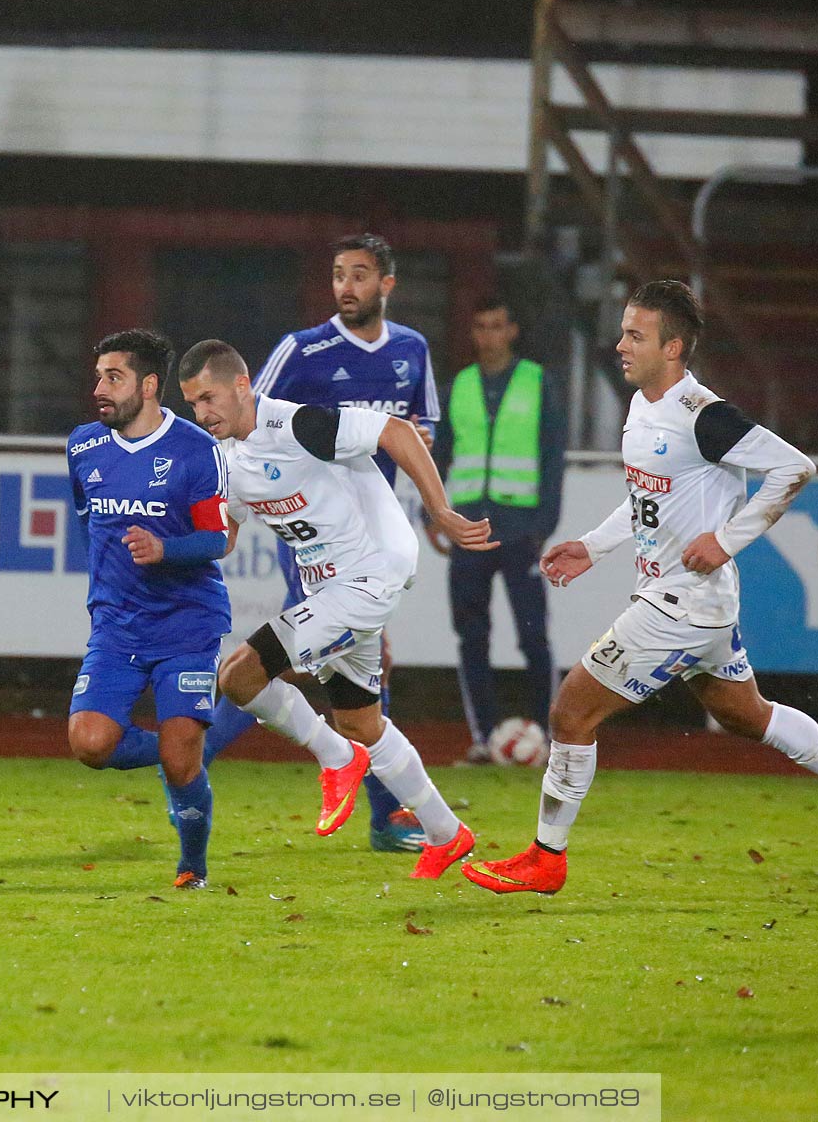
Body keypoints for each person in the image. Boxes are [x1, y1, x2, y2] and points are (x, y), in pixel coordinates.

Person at [463, 281, 818, 896]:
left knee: (571, 712)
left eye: (635, 335)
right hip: (696, 603)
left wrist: (728, 539)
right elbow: (648, 498)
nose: (621, 344)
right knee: (746, 715)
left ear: (673, 347)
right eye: (623, 331)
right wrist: (593, 546)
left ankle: (547, 857)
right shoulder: (644, 408)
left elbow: (795, 467)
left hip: (682, 603)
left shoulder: (702, 414)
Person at [177, 338, 496, 880]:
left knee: (239, 676)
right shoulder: (227, 460)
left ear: (241, 384)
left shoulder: (298, 425)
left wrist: (440, 510)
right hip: (330, 590)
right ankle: (446, 833)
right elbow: (224, 536)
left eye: (208, 398)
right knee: (361, 719)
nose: (202, 413)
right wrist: (171, 546)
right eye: (191, 405)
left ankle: (336, 758)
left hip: (373, 573)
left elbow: (395, 432)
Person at [64, 329, 364, 890]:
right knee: (90, 743)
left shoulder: (196, 451)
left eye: (114, 377)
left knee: (180, 766)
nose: (99, 388)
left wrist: (162, 550)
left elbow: (216, 540)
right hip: (115, 627)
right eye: (99, 376)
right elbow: (89, 522)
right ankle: (185, 749)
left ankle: (192, 866)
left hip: (187, 623)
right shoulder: (83, 446)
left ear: (148, 386)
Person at [201, 232, 441, 852]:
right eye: (338, 274)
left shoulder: (412, 349)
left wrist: (431, 504)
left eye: (360, 275)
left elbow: (420, 429)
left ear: (386, 283)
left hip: (372, 532)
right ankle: (387, 813)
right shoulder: (303, 349)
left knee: (325, 672)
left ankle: (396, 812)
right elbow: (253, 424)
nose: (346, 286)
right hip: (312, 538)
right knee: (303, 665)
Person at [429, 297, 566, 763]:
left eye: (496, 326)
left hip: (520, 526)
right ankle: (485, 738)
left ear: (512, 331)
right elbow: (439, 455)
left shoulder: (537, 382)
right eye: (480, 327)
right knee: (472, 634)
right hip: (468, 526)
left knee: (533, 636)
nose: (488, 335)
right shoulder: (458, 387)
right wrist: (436, 514)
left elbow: (552, 455)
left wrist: (545, 524)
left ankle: (549, 738)